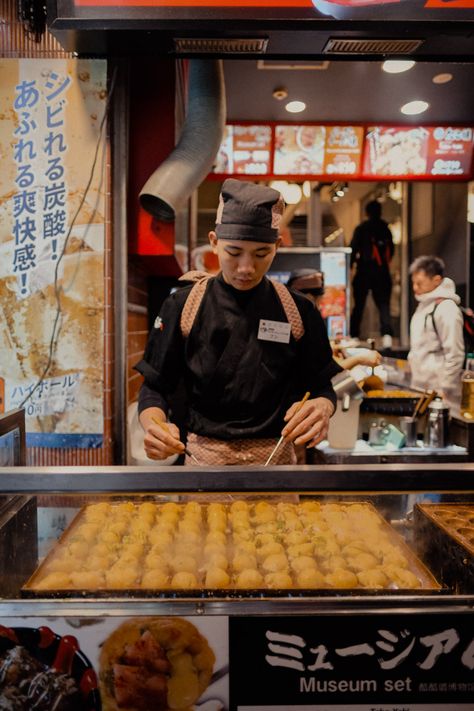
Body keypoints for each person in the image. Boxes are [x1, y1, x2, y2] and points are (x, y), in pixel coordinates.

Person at [135, 179, 340, 466]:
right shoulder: (182, 306)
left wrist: (323, 406)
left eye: (261, 254)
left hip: (276, 460)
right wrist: (154, 425)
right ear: (214, 242)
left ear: (277, 246)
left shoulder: (298, 310)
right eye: (233, 252)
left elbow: (321, 386)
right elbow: (154, 386)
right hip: (202, 460)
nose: (246, 268)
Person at [287, 268, 382, 372]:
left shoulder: (291, 316)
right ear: (308, 297)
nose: (319, 305)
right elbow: (324, 372)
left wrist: (329, 349)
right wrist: (360, 359)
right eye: (319, 299)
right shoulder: (301, 322)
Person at [408, 255, 464, 413]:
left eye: (419, 283)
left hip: (441, 393)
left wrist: (445, 388)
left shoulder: (446, 308)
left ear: (437, 280)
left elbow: (455, 353)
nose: (415, 288)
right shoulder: (424, 305)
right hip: (421, 388)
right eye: (413, 283)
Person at [349, 199, 394, 349]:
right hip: (382, 273)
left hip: (364, 272)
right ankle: (387, 338)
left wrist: (349, 268)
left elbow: (353, 249)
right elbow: (391, 251)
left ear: (366, 213)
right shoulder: (386, 229)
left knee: (359, 305)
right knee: (384, 306)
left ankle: (354, 336)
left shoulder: (361, 228)